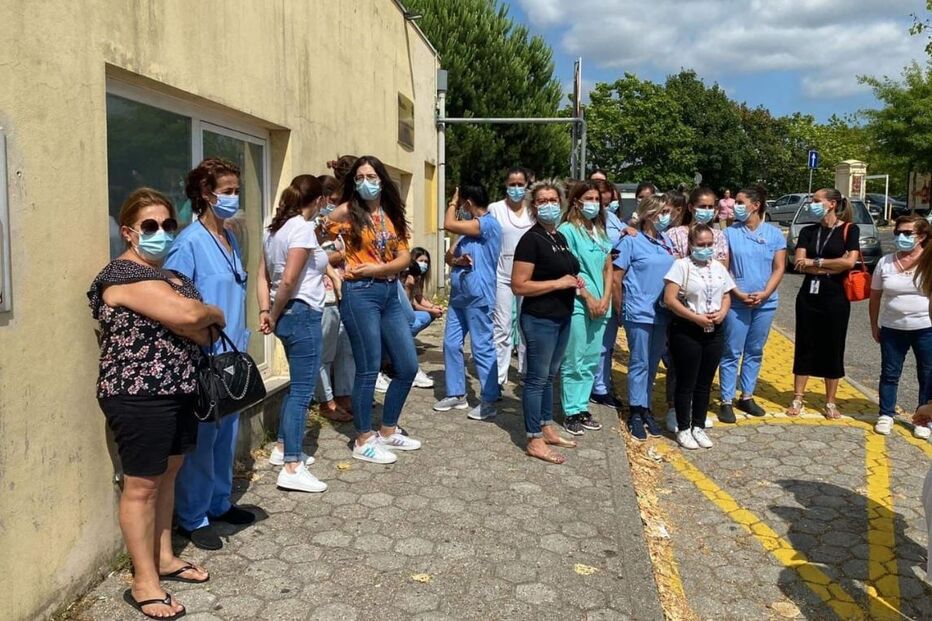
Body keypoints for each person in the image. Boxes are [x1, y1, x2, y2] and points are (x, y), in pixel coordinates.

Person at [89, 188, 221, 619]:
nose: (160, 232)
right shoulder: (120, 276)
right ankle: (143, 581)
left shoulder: (173, 277)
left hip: (181, 388)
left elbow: (205, 335)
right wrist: (212, 312)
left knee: (169, 473)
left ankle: (163, 557)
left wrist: (202, 319)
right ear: (129, 232)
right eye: (150, 225)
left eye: (168, 224)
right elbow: (191, 318)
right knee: (142, 485)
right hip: (138, 395)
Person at [166, 158, 255, 551]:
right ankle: (193, 517)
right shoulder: (188, 244)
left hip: (231, 357)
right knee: (202, 442)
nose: (234, 198)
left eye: (237, 190)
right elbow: (175, 306)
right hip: (204, 359)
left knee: (226, 436)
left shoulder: (229, 237)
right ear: (206, 193)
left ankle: (219, 502)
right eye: (227, 191)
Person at [325, 155, 422, 464]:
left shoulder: (390, 213)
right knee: (367, 368)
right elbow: (314, 243)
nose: (365, 183)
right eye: (360, 177)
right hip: (359, 294)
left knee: (407, 366)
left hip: (389, 292)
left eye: (371, 177)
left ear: (381, 180)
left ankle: (388, 429)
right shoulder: (345, 212)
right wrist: (335, 270)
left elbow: (404, 257)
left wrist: (377, 269)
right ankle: (363, 438)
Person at [257, 175, 331, 493]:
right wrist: (272, 314)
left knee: (295, 386)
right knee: (302, 391)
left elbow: (263, 276)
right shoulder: (300, 228)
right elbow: (288, 279)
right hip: (300, 313)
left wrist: (265, 310)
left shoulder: (273, 229)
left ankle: (282, 446)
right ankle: (292, 466)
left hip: (286, 314)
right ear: (317, 201)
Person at [512, 180, 581, 464]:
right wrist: (558, 283)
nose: (548, 205)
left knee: (550, 377)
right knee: (536, 380)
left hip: (562, 316)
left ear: (561, 203)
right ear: (533, 206)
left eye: (553, 200)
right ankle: (534, 439)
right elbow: (519, 285)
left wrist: (574, 281)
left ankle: (546, 427)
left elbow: (566, 271)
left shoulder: (559, 236)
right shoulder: (531, 240)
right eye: (542, 201)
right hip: (539, 319)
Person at [788, 189, 860, 418]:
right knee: (805, 343)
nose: (812, 204)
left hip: (836, 296)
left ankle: (830, 402)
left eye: (816, 200)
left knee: (833, 345)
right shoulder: (808, 231)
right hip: (809, 295)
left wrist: (816, 262)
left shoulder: (850, 230)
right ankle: (798, 397)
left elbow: (849, 263)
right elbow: (799, 262)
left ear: (832, 204)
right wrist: (830, 265)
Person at [663, 224, 735, 449]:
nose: (706, 249)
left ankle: (698, 426)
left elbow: (727, 295)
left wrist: (722, 313)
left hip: (714, 330)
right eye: (701, 244)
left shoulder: (718, 267)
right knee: (686, 381)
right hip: (688, 329)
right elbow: (670, 299)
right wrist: (695, 317)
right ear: (691, 245)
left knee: (705, 382)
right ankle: (684, 428)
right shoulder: (681, 266)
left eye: (709, 244)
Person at [718, 186, 786, 423]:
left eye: (740, 202)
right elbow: (723, 268)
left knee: (755, 350)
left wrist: (765, 293)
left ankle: (746, 395)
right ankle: (726, 399)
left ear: (755, 205)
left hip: (765, 303)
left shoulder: (774, 234)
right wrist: (736, 292)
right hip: (736, 303)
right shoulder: (728, 234)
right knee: (731, 351)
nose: (735, 206)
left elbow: (779, 267)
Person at [433, 186, 502, 420]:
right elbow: (449, 256)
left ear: (468, 203)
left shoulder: (488, 224)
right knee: (451, 344)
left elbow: (448, 224)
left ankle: (489, 399)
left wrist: (452, 202)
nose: (459, 208)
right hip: (459, 297)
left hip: (479, 296)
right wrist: (458, 260)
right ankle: (456, 393)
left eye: (462, 204)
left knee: (481, 347)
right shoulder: (466, 231)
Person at [612, 196, 675, 440]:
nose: (667, 217)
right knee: (639, 362)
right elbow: (616, 278)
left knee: (652, 362)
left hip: (662, 312)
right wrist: (620, 309)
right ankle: (635, 411)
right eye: (663, 212)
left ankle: (646, 406)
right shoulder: (631, 241)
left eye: (668, 212)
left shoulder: (666, 240)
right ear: (649, 214)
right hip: (638, 311)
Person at [558, 181, 613, 435]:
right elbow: (567, 269)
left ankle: (582, 407)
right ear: (576, 201)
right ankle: (571, 410)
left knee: (591, 359)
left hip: (602, 304)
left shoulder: (599, 231)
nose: (594, 204)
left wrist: (605, 297)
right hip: (578, 302)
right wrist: (588, 297)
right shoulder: (567, 230)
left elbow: (607, 267)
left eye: (597, 200)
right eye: (588, 199)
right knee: (575, 358)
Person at [870, 215, 932, 438]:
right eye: (898, 233)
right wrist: (874, 325)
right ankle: (886, 414)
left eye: (907, 233)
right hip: (892, 328)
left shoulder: (929, 261)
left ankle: (923, 418)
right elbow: (875, 296)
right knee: (890, 372)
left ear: (922, 236)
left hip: (925, 328)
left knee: (927, 374)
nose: (901, 237)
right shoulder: (885, 262)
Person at [591, 180, 638, 406]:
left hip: (611, 285)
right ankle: (591, 387)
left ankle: (601, 387)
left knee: (605, 343)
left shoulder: (612, 218)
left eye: (605, 193)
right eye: (595, 194)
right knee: (590, 342)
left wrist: (628, 230)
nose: (601, 198)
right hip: (590, 285)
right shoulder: (577, 221)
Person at [312, 174, 355, 423]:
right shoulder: (313, 226)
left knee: (345, 350)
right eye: (334, 200)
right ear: (325, 198)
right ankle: (325, 401)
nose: (336, 205)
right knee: (324, 353)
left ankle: (344, 396)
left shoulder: (337, 226)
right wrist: (339, 256)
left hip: (342, 294)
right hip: (324, 295)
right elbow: (311, 258)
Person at [488, 167, 535, 387]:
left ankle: (526, 371)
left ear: (526, 185)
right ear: (506, 185)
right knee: (502, 327)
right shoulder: (495, 209)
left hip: (529, 275)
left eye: (520, 184)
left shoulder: (533, 211)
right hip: (502, 274)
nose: (516, 188)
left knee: (527, 325)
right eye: (512, 184)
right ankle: (499, 376)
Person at [667, 187, 729, 266]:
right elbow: (674, 265)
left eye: (710, 207)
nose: (707, 210)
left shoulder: (718, 236)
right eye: (702, 206)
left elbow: (723, 265)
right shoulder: (675, 234)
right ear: (690, 207)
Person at [405, 247, 444, 336]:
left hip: (409, 310)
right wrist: (431, 310)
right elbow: (413, 304)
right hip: (403, 312)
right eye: (421, 261)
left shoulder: (419, 278)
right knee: (423, 318)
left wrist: (433, 307)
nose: (424, 264)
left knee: (429, 315)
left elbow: (419, 297)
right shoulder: (408, 278)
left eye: (426, 262)